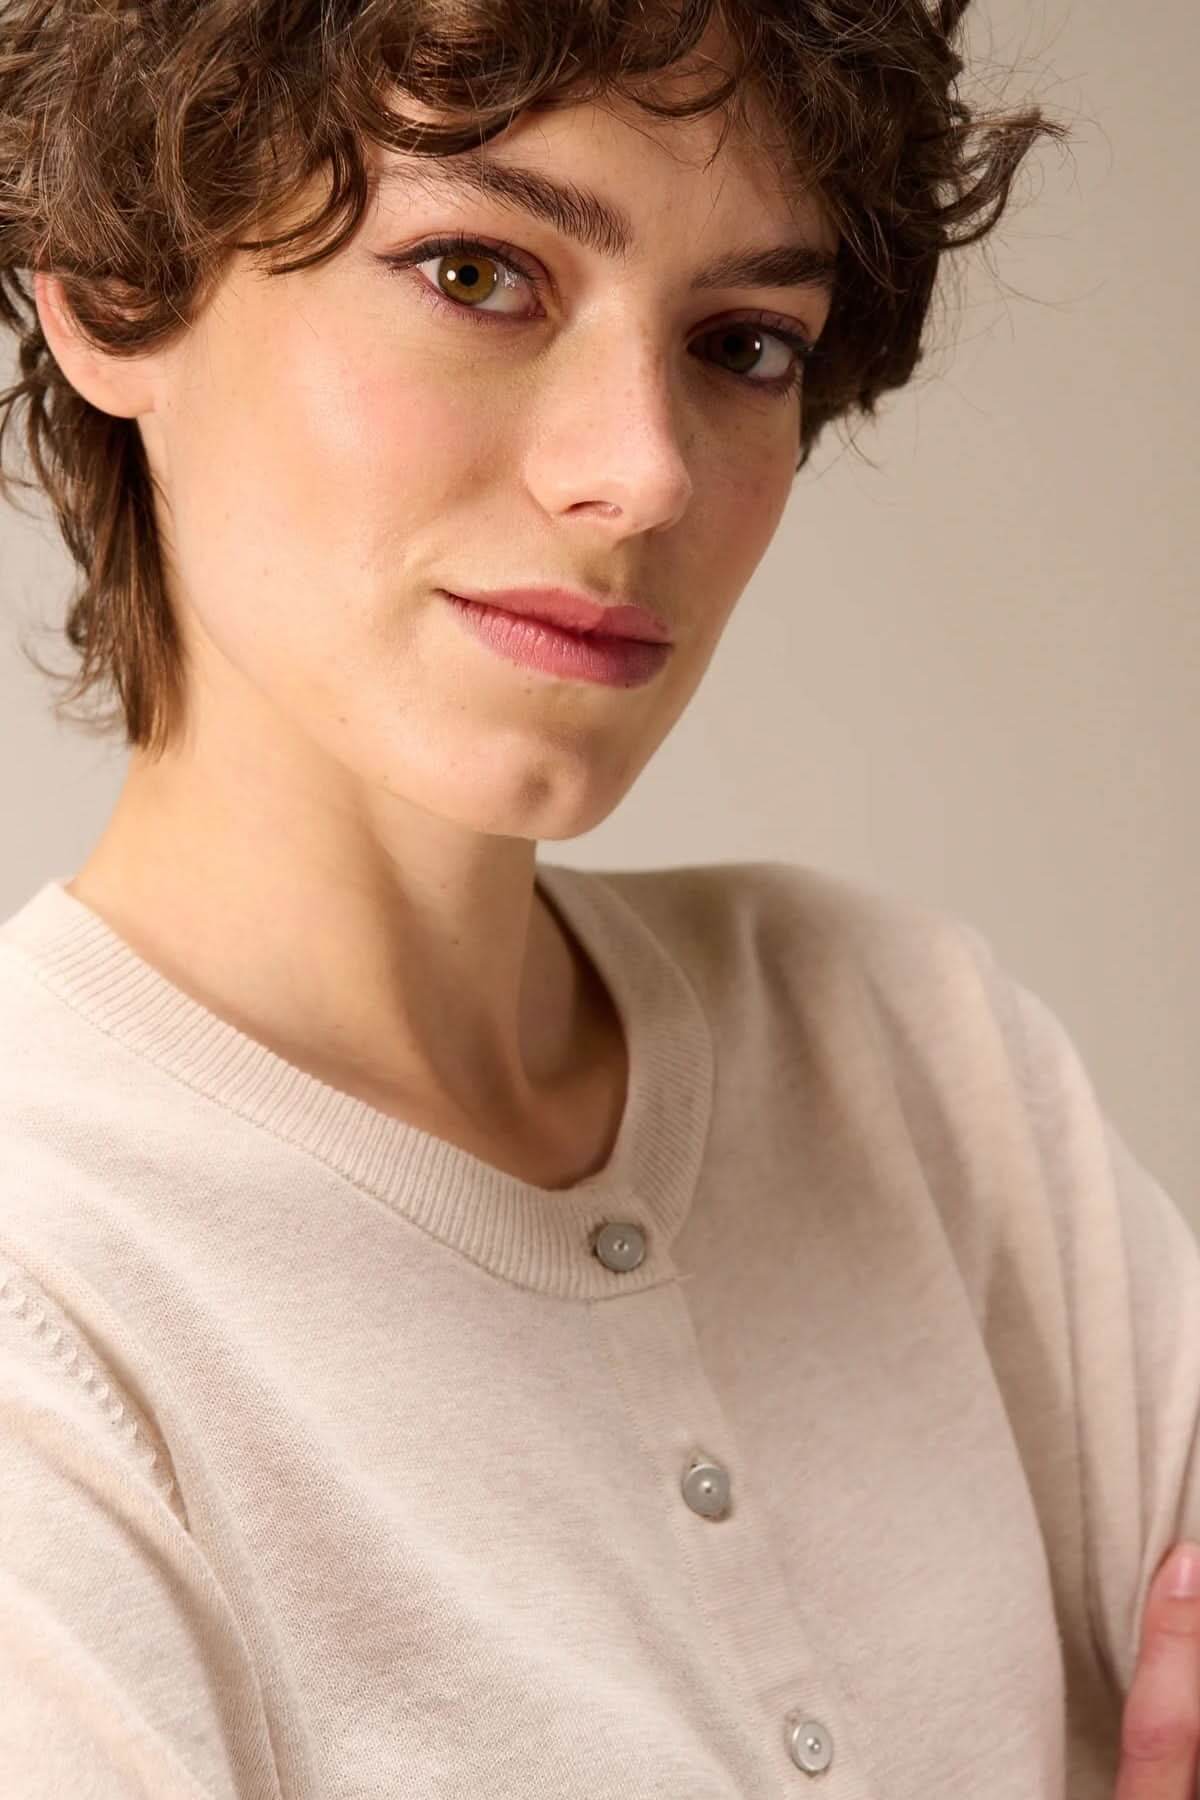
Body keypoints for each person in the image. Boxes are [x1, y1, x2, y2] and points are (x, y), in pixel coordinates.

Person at [0, 1, 1195, 1795]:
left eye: (743, 344)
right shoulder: (47, 1304)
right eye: (476, 274)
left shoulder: (899, 1047)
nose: (643, 474)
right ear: (115, 283)